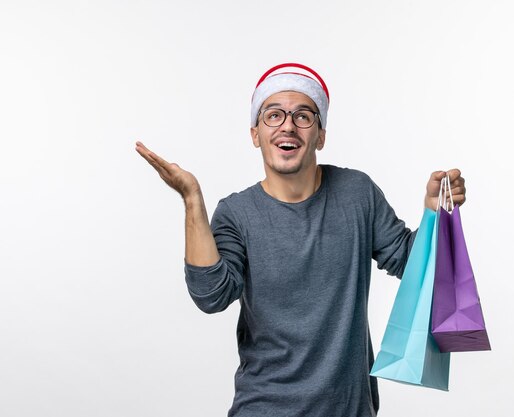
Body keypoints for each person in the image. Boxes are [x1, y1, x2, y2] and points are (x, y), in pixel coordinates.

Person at [135, 63, 466, 417]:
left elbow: (411, 263)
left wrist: (435, 213)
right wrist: (192, 199)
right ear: (255, 134)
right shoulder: (236, 213)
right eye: (273, 115)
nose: (288, 125)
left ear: (320, 135)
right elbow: (211, 296)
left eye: (303, 116)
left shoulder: (357, 193)